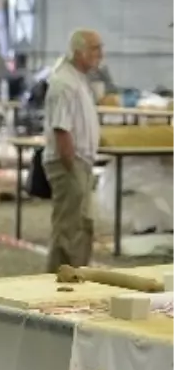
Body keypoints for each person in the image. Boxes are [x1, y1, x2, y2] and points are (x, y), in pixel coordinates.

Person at [43, 29, 103, 271]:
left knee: (82, 224)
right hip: (69, 162)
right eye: (95, 49)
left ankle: (77, 274)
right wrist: (71, 167)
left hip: (80, 162)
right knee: (68, 227)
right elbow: (62, 129)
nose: (101, 54)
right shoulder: (64, 83)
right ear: (79, 52)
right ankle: (58, 279)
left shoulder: (78, 80)